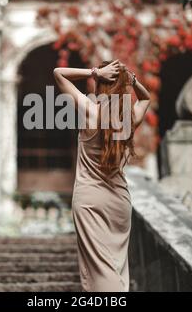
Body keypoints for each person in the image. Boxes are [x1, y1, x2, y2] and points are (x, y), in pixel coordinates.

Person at [53, 59, 150, 292]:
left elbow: (59, 74)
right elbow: (145, 98)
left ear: (100, 86)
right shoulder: (128, 119)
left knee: (99, 268)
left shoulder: (90, 111)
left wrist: (95, 72)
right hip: (119, 201)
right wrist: (132, 79)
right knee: (116, 265)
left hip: (90, 200)